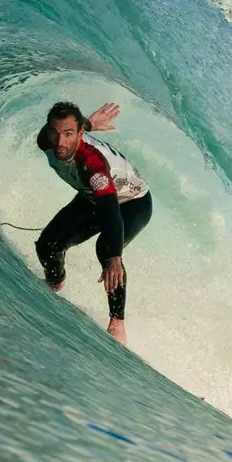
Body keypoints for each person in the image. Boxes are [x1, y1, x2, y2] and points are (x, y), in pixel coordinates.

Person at [33, 100, 152, 344]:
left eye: (68, 135)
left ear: (79, 135)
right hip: (92, 197)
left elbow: (110, 212)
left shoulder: (93, 166)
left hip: (132, 202)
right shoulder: (45, 140)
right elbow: (65, 130)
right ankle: (54, 285)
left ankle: (117, 323)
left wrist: (115, 257)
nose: (60, 142)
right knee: (48, 245)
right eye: (55, 132)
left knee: (106, 250)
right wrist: (89, 122)